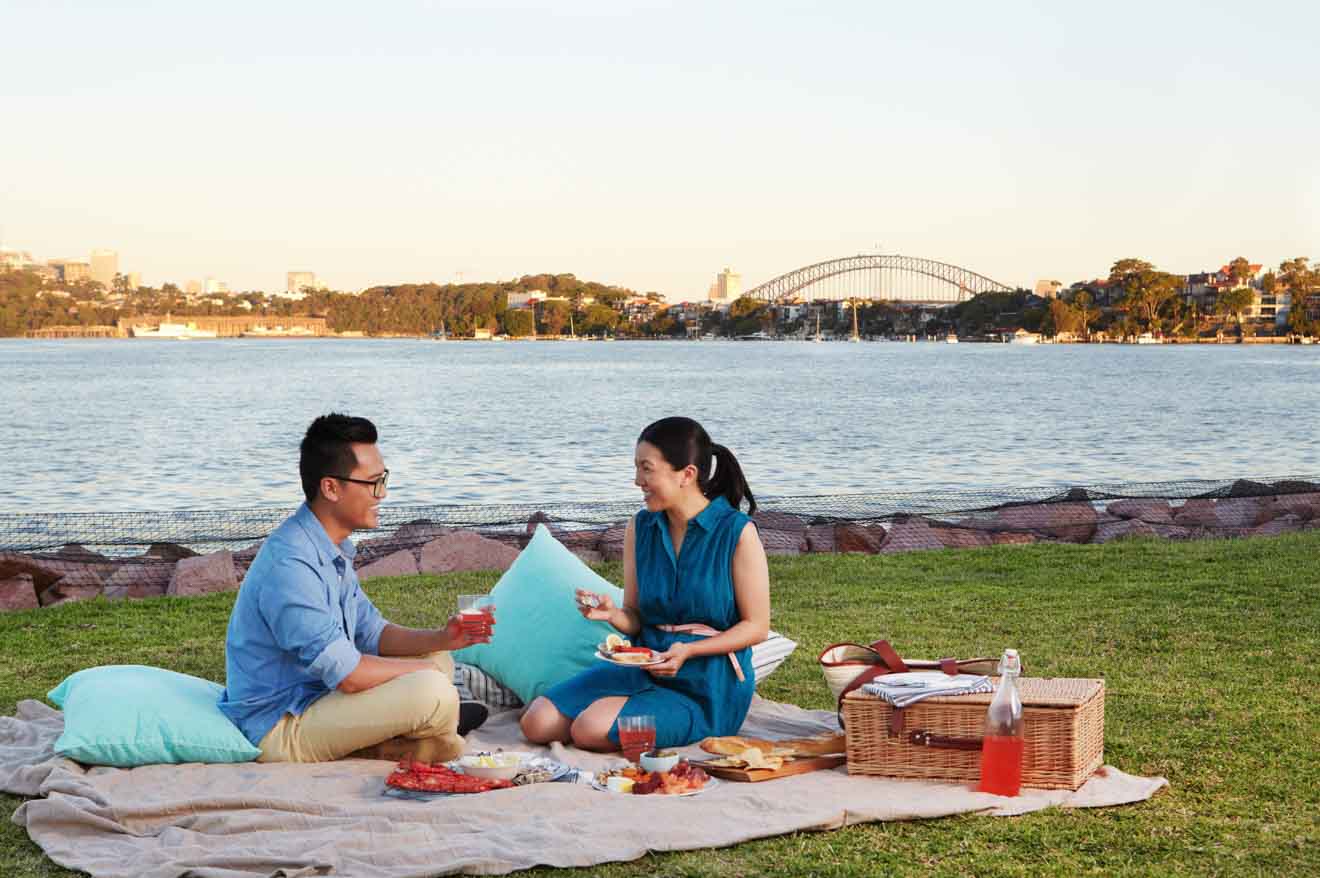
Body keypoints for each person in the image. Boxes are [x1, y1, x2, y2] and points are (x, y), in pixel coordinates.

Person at [219, 413, 493, 763]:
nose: (383, 493)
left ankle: (425, 730)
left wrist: (443, 637)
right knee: (432, 687)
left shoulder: (329, 549)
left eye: (384, 480)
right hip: (282, 726)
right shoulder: (290, 566)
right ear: (331, 488)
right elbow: (348, 675)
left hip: (321, 699)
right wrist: (424, 673)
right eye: (373, 483)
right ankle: (433, 733)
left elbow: (372, 632)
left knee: (438, 658)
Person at [520, 416, 770, 753]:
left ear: (687, 474)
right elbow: (636, 616)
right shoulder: (641, 527)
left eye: (646, 469)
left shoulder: (737, 532)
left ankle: (643, 716)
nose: (637, 480)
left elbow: (756, 627)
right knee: (537, 722)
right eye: (637, 468)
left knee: (588, 729)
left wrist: (690, 650)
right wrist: (612, 614)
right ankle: (624, 706)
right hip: (643, 668)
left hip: (707, 688)